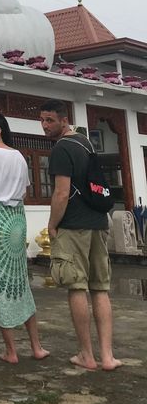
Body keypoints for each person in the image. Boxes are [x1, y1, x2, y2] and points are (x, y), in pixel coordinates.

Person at [41, 98, 122, 371]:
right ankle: (108, 356)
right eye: (42, 120)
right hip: (98, 222)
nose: (45, 125)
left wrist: (53, 224)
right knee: (100, 288)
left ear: (64, 120)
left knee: (77, 287)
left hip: (74, 225)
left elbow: (61, 192)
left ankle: (87, 355)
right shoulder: (85, 143)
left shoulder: (62, 148)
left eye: (50, 120)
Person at [0, 113, 49, 363]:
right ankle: (36, 346)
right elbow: (25, 191)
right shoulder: (19, 156)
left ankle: (11, 351)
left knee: (1, 286)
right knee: (21, 284)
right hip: (17, 220)